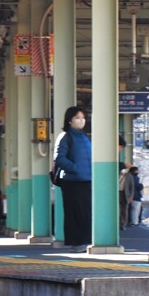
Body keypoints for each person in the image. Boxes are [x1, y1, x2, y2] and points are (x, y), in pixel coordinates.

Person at [54, 106, 92, 251]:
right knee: (75, 212)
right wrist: (75, 168)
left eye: (83, 117)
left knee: (86, 212)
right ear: (70, 120)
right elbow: (59, 158)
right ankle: (76, 242)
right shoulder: (65, 137)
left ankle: (84, 240)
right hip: (72, 181)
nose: (81, 121)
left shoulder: (85, 136)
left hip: (87, 180)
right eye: (77, 118)